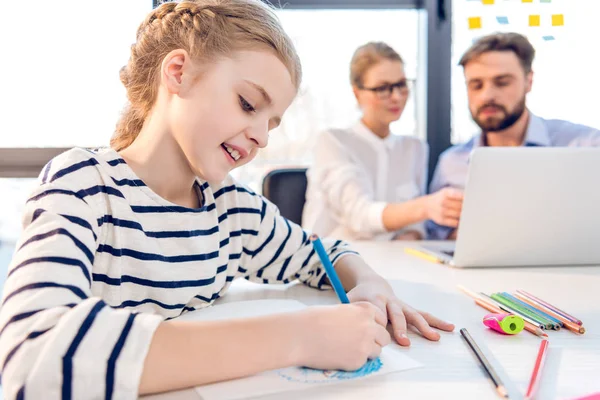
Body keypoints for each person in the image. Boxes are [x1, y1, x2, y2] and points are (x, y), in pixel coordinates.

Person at [0, 2, 455, 398]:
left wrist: (370, 283)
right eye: (248, 104)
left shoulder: (232, 210)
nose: (260, 137)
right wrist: (296, 337)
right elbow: (30, 354)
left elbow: (326, 252)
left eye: (272, 124)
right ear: (178, 73)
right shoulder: (83, 185)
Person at [428, 32, 600, 240]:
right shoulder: (451, 163)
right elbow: (434, 235)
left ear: (529, 81)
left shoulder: (586, 146)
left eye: (502, 82)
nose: (487, 95)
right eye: (476, 85)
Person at [302, 42, 463, 241]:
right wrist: (425, 207)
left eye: (401, 85)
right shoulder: (333, 142)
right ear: (357, 93)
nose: (396, 97)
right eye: (383, 88)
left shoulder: (414, 148)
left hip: (394, 263)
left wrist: (407, 243)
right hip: (333, 264)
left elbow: (415, 227)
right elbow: (359, 215)